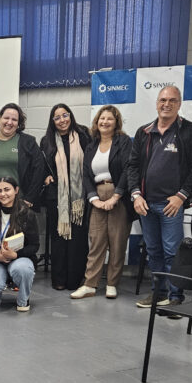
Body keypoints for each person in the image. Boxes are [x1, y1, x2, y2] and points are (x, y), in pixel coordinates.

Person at [127, 85, 192, 308]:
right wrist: (136, 195)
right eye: (163, 100)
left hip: (171, 203)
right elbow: (132, 166)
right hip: (145, 203)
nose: (167, 104)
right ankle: (158, 293)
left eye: (172, 100)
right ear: (156, 103)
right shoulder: (144, 132)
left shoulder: (189, 130)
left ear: (179, 104)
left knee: (172, 252)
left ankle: (175, 298)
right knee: (153, 251)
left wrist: (181, 196)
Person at [71, 106, 133, 300]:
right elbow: (86, 174)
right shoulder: (92, 145)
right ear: (97, 122)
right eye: (102, 119)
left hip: (119, 194)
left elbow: (128, 169)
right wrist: (94, 199)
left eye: (109, 119)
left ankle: (112, 284)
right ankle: (90, 284)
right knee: (96, 242)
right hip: (97, 195)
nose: (105, 122)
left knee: (117, 241)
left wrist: (116, 196)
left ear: (116, 123)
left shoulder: (123, 142)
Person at [39, 103, 90, 291]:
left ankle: (75, 280)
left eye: (65, 115)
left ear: (70, 116)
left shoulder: (83, 136)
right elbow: (42, 165)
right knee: (59, 238)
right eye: (57, 117)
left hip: (79, 197)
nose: (62, 120)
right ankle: (59, 279)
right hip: (56, 196)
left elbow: (90, 162)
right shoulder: (46, 141)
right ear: (52, 121)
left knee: (78, 239)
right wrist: (46, 177)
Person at [0, 176, 39, 313]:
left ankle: (23, 300)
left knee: (24, 270)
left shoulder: (27, 214)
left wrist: (16, 255)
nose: (3, 194)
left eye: (7, 189)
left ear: (16, 190)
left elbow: (34, 245)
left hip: (19, 258)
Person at [0, 103, 42, 213]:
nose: (10, 122)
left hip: (18, 205)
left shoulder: (28, 142)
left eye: (14, 120)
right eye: (6, 118)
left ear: (18, 123)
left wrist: (30, 198)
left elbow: (39, 171)